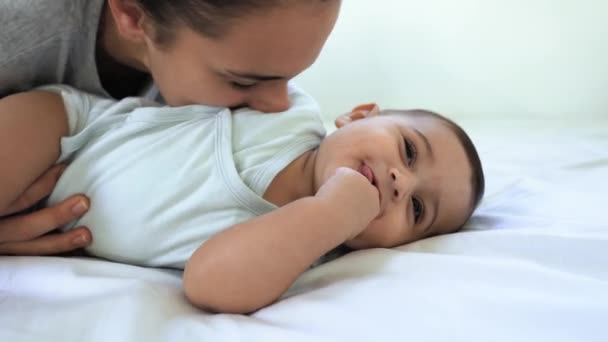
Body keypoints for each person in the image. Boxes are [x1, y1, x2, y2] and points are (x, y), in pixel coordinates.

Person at [0, 85, 485, 313]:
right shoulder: (287, 109)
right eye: (407, 150)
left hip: (54, 221)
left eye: (417, 210)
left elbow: (209, 284)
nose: (401, 183)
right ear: (357, 115)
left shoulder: (304, 251)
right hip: (73, 129)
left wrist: (331, 216)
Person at [0, 0, 342, 255]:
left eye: (291, 77)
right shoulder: (17, 32)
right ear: (133, 15)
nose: (280, 104)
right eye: (242, 81)